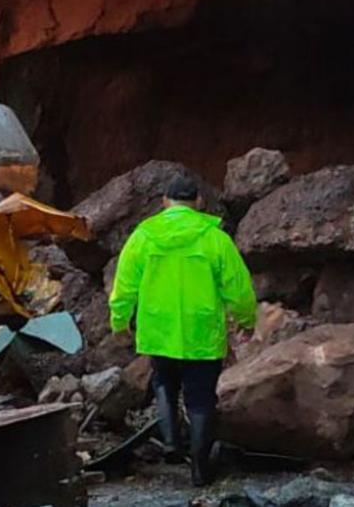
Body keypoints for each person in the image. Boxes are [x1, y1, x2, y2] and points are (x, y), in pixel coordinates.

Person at [108, 174, 257, 487]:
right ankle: (200, 470)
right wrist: (246, 319)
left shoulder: (144, 236)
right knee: (201, 397)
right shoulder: (215, 238)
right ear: (199, 202)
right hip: (201, 331)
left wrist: (119, 322)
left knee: (164, 379)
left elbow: (124, 285)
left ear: (165, 201)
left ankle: (172, 442)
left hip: (158, 328)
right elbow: (238, 287)